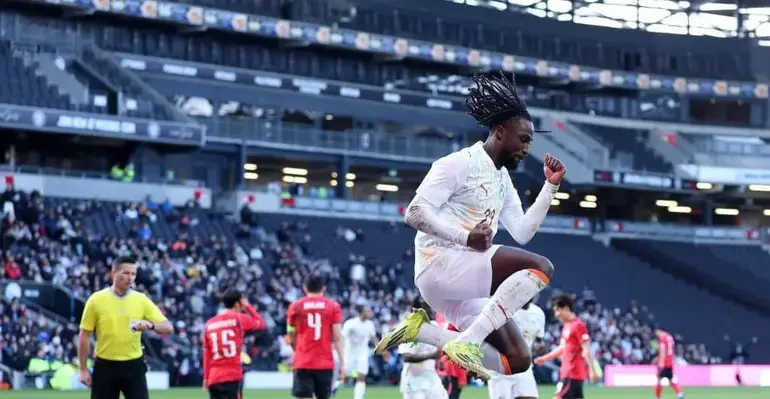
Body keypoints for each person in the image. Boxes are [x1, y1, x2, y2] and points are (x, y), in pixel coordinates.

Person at [375, 70, 565, 380]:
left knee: (517, 361)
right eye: (524, 138)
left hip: (463, 282)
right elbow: (414, 213)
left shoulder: (502, 179)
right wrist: (465, 237)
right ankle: (471, 340)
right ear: (500, 131)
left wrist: (550, 187)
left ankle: (422, 331)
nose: (527, 148)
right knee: (541, 267)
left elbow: (523, 231)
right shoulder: (458, 163)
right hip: (440, 265)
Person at [77, 256, 174, 399]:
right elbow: (84, 336)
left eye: (133, 274)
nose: (130, 278)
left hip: (134, 365)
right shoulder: (96, 300)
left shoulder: (141, 300)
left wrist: (151, 325)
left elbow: (168, 327)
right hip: (105, 365)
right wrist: (83, 369)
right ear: (114, 272)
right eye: (126, 273)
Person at [288, 273, 345, 399]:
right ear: (323, 288)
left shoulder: (295, 307)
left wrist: (297, 350)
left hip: (303, 361)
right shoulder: (333, 306)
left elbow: (291, 334)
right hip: (325, 362)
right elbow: (337, 337)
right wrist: (342, 363)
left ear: (305, 288)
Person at [202, 289, 266, 399]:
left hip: (214, 377)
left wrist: (206, 378)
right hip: (232, 375)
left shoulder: (209, 324)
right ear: (237, 304)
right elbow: (261, 324)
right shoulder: (239, 319)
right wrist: (248, 306)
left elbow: (207, 355)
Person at [534, 294, 597, 399]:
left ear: (566, 308)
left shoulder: (578, 325)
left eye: (558, 310)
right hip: (571, 374)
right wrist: (545, 359)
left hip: (572, 374)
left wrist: (592, 370)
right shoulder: (567, 326)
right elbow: (563, 348)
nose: (556, 314)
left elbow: (586, 350)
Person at [488, 298, 545, 399]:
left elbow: (538, 341)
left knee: (530, 397)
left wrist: (540, 347)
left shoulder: (538, 313)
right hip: (502, 367)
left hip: (524, 366)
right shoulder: (503, 309)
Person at [399, 297, 448, 399]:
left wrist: (439, 361)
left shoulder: (434, 326)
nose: (429, 309)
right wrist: (431, 356)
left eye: (430, 306)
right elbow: (406, 357)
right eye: (425, 306)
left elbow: (434, 348)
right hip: (413, 380)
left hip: (431, 377)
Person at [342, 305, 377, 399]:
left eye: (370, 311)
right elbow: (342, 337)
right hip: (349, 354)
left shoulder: (370, 324)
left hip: (362, 354)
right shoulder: (350, 324)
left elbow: (373, 339)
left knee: (361, 377)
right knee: (344, 377)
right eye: (368, 311)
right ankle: (332, 391)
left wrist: (382, 349)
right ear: (361, 312)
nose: (370, 313)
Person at [653, 327, 684, 399]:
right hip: (670, 362)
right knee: (670, 380)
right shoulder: (670, 337)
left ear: (659, 331)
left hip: (664, 362)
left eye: (657, 333)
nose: (657, 334)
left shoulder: (663, 339)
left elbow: (663, 351)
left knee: (659, 379)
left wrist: (661, 362)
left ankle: (657, 397)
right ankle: (680, 394)